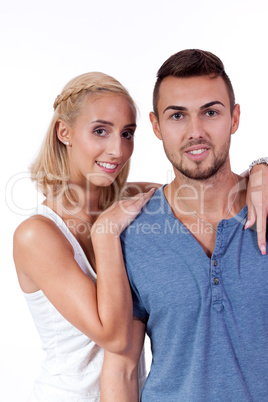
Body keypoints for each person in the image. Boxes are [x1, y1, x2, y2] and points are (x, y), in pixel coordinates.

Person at [100, 50, 268, 401]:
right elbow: (123, 367)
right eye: (178, 115)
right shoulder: (132, 234)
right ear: (157, 126)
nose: (196, 132)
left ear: (234, 118)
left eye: (211, 112)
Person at [13, 72, 152, 401]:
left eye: (127, 133)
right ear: (65, 132)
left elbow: (215, 192)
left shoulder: (128, 202)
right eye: (100, 131)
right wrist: (104, 233)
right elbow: (115, 337)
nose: (117, 150)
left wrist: (261, 169)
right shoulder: (37, 235)